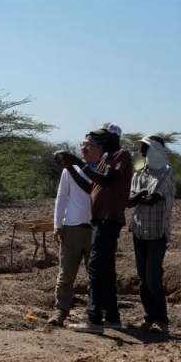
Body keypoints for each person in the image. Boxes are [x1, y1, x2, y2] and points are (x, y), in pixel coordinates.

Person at [55, 123, 132, 334]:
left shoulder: (121, 155)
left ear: (111, 138)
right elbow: (91, 187)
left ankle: (94, 319)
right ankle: (111, 317)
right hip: (100, 219)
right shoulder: (107, 159)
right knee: (104, 269)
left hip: (107, 219)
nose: (98, 141)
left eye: (101, 138)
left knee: (97, 269)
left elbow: (107, 181)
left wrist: (78, 162)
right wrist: (71, 167)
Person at [47, 135, 103, 327]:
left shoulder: (104, 170)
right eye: (83, 144)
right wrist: (57, 225)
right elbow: (61, 197)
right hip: (72, 227)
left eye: (89, 145)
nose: (84, 148)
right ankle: (60, 310)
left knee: (95, 274)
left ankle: (94, 312)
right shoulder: (70, 169)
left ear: (100, 149)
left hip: (96, 229)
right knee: (66, 273)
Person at [127, 135, 176, 335]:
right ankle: (149, 317)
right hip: (139, 230)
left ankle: (161, 321)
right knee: (143, 279)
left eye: (146, 148)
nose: (142, 152)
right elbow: (130, 201)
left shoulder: (166, 171)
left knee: (153, 277)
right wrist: (141, 195)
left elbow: (152, 198)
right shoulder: (139, 173)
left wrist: (139, 196)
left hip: (156, 232)